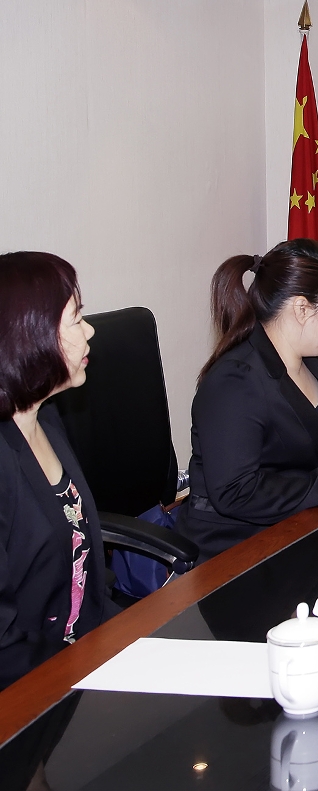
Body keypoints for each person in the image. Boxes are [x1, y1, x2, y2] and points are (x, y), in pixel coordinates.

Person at [177, 240, 318, 562]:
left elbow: (317, 455)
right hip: (235, 552)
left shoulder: (309, 364)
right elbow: (236, 492)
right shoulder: (234, 382)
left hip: (296, 529)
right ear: (302, 308)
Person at [0, 252, 116, 789]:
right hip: (25, 701)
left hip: (78, 677)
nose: (89, 331)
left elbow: (84, 560)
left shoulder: (46, 420)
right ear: (30, 337)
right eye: (75, 318)